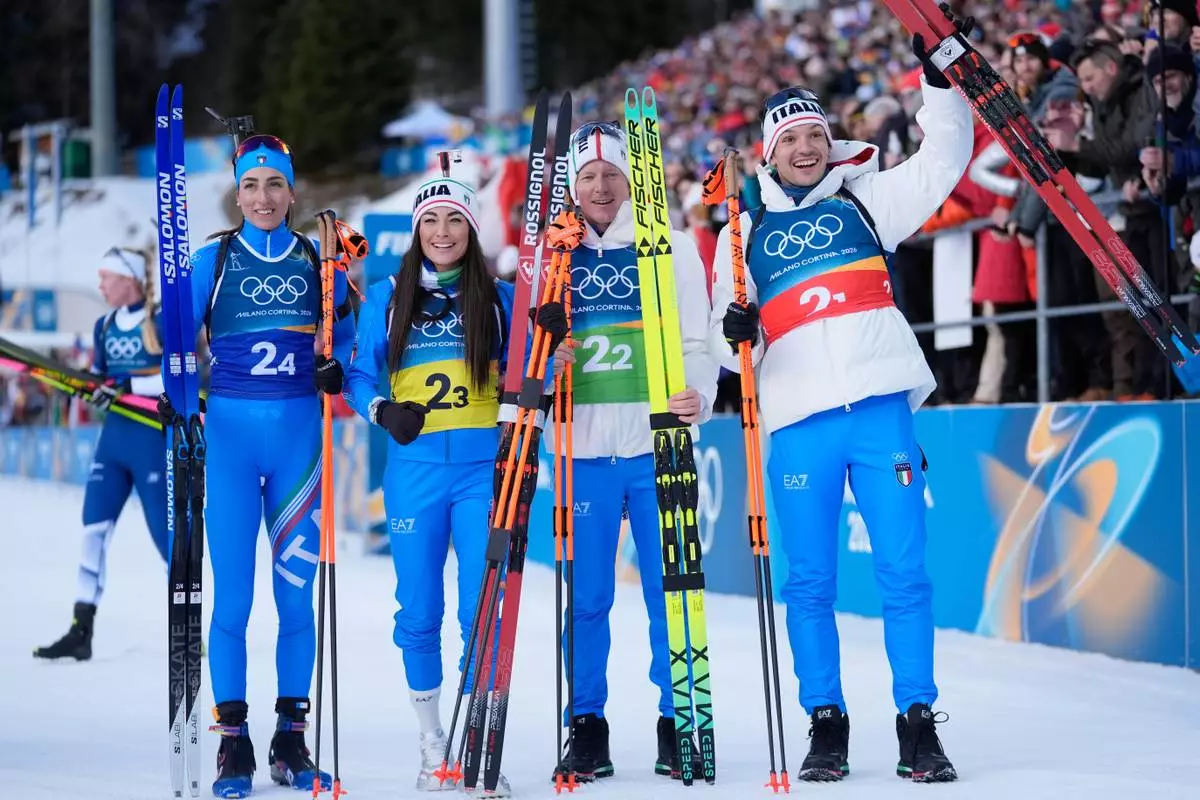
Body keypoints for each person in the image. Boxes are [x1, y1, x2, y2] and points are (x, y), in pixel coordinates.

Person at [711, 31, 974, 785]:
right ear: (768, 151)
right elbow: (722, 340)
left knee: (904, 573)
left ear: (832, 143)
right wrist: (739, 333)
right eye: (790, 137)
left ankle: (916, 722)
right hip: (799, 426)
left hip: (879, 412)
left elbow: (944, 159)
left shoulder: (867, 199)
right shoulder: (742, 231)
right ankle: (826, 721)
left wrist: (939, 88)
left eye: (814, 135)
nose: (804, 147)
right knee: (810, 583)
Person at [344, 174, 565, 795]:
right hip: (413, 474)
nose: (442, 233)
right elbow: (361, 377)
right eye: (431, 222)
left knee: (482, 611)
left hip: (481, 472)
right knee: (418, 610)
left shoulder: (497, 298)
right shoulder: (389, 296)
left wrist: (548, 342)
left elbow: (531, 376)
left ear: (472, 228)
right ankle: (432, 739)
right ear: (416, 231)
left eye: (455, 221)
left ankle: (477, 742)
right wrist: (382, 411)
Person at [160, 134, 353, 798]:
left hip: (300, 447)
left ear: (292, 192)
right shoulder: (214, 259)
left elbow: (348, 346)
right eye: (251, 186)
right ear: (236, 193)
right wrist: (175, 391)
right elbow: (172, 342)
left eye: (275, 185)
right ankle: (233, 744)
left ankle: (291, 743)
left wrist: (335, 371)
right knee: (235, 600)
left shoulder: (316, 260)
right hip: (234, 450)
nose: (264, 197)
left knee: (295, 600)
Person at [550, 121, 717, 782]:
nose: (599, 186)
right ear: (571, 185)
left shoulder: (670, 249)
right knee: (586, 599)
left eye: (611, 175)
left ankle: (678, 720)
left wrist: (698, 394)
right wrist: (545, 362)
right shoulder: (553, 258)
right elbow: (524, 361)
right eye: (587, 177)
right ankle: (586, 724)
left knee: (669, 594)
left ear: (631, 180)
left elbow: (700, 344)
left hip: (658, 449)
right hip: (581, 452)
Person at [34, 247, 168, 662]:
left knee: (170, 543)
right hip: (113, 444)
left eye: (105, 277)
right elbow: (100, 378)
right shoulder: (103, 325)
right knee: (92, 531)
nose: (100, 285)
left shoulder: (158, 320)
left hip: (151, 440)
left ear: (128, 279)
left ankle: (190, 628)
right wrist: (80, 384)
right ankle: (81, 629)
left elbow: (175, 377)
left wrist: (125, 387)